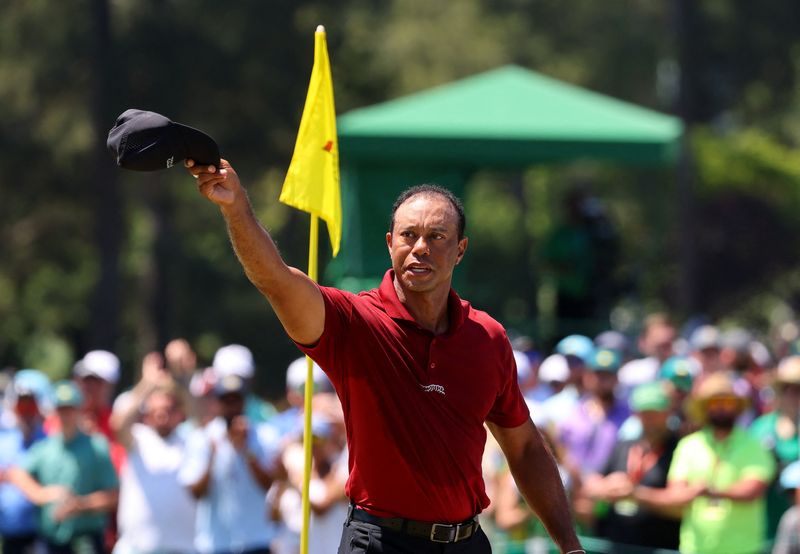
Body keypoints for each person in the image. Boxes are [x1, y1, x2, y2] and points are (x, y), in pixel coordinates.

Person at [186, 158, 584, 554]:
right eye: (408, 235)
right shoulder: (355, 322)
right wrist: (236, 207)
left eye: (437, 236)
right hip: (379, 543)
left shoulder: (487, 337)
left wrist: (570, 546)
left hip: (466, 544)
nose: (420, 249)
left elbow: (525, 448)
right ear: (390, 242)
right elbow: (274, 278)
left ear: (460, 250)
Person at [663, 371, 775, 554]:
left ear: (737, 407)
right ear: (706, 407)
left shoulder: (753, 445)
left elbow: (753, 489)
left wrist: (711, 491)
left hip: (743, 549)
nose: (722, 408)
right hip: (695, 548)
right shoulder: (688, 445)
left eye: (728, 402)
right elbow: (675, 492)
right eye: (715, 402)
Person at [7, 380, 119, 554]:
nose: (65, 415)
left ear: (79, 410)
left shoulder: (97, 446)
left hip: (86, 539)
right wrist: (42, 494)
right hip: (52, 540)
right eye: (61, 409)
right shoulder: (45, 447)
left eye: (70, 409)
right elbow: (17, 474)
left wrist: (81, 505)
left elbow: (113, 496)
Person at [178, 373, 282, 554]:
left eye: (237, 400)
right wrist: (211, 457)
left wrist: (247, 450)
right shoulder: (201, 438)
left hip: (256, 540)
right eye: (226, 401)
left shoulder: (264, 435)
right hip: (216, 543)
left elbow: (268, 485)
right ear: (217, 403)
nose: (232, 407)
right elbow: (195, 492)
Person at [111, 352, 197, 554]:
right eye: (155, 410)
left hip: (183, 549)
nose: (161, 415)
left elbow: (201, 416)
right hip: (135, 548)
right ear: (147, 413)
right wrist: (147, 384)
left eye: (167, 410)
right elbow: (118, 424)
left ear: (179, 413)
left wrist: (186, 376)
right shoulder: (138, 438)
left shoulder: (191, 439)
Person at [580, 381, 681, 552]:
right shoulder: (625, 445)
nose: (650, 419)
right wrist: (606, 487)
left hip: (660, 546)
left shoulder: (680, 449)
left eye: (656, 413)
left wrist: (636, 494)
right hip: (615, 544)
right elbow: (592, 481)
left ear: (668, 413)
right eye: (645, 413)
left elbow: (680, 505)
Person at [0, 370, 51, 554]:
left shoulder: (49, 442)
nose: (27, 413)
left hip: (41, 537)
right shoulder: (3, 443)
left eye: (32, 407)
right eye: (22, 407)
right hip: (9, 536)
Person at [750, 355, 800, 540]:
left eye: (799, 389)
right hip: (765, 524)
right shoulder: (761, 427)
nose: (794, 395)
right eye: (789, 388)